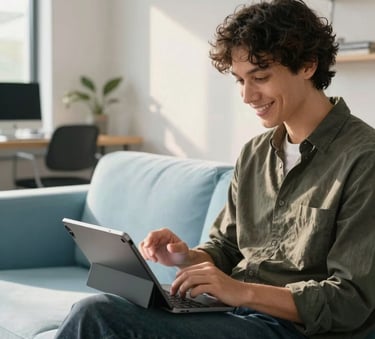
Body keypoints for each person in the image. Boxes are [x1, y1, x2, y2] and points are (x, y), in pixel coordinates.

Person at [55, 0, 375, 338]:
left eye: (260, 77)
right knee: (101, 308)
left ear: (308, 65)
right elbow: (226, 247)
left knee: (99, 315)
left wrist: (240, 291)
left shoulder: (362, 158)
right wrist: (186, 258)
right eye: (239, 80)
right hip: (234, 315)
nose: (247, 95)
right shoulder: (255, 154)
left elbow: (351, 301)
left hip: (293, 330)